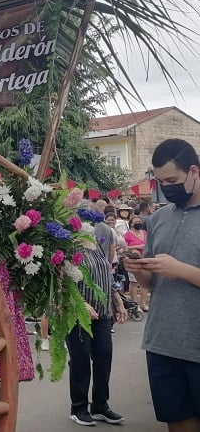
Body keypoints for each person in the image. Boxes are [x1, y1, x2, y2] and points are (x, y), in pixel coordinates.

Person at [124, 138, 200, 432]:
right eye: (160, 181)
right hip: (162, 342)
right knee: (177, 422)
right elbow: (153, 283)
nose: (166, 187)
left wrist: (180, 270)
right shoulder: (157, 218)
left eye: (172, 180)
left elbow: (174, 271)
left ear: (194, 171)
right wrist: (138, 269)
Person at [66, 226, 127, 427]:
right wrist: (80, 303)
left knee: (104, 355)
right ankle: (79, 407)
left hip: (102, 313)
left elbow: (107, 276)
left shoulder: (96, 246)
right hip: (78, 314)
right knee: (81, 358)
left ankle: (100, 405)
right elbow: (62, 281)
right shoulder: (68, 247)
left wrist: (118, 301)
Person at [124, 214, 149, 312]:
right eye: (136, 222)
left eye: (139, 222)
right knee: (134, 282)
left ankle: (143, 304)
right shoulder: (127, 234)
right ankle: (134, 304)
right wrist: (139, 246)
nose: (138, 223)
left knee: (144, 283)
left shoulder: (145, 233)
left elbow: (149, 244)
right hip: (133, 260)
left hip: (145, 259)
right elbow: (125, 247)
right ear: (131, 224)